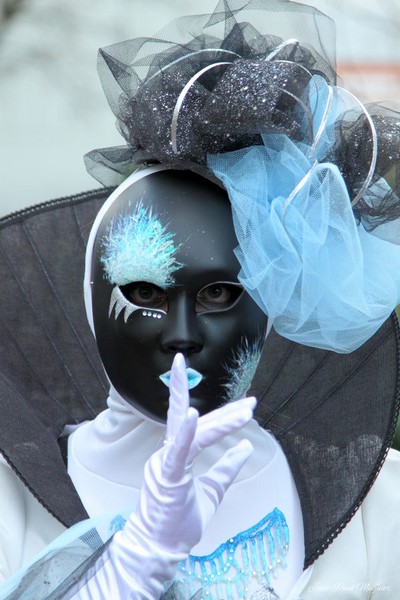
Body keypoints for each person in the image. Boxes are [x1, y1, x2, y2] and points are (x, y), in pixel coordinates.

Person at [1, 0, 400, 598]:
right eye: (143, 293)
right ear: (90, 303)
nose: (182, 333)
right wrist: (125, 571)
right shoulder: (9, 509)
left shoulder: (381, 510)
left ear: (268, 305)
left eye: (219, 292)